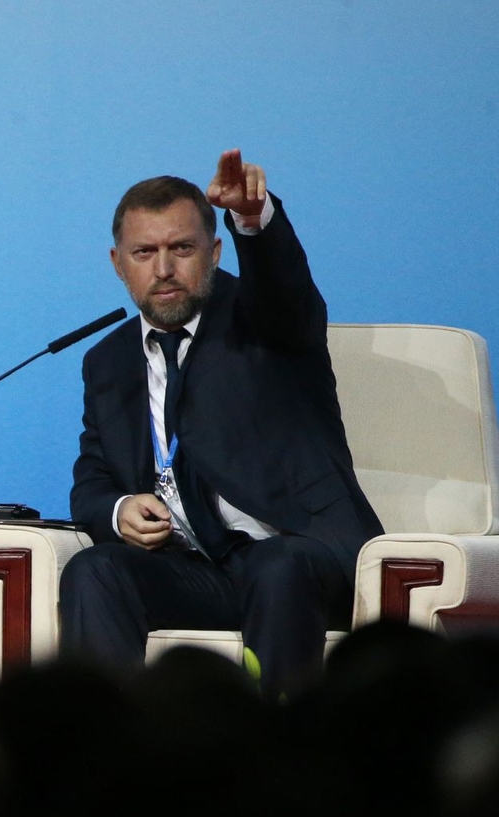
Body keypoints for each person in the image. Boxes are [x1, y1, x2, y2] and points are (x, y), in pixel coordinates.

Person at [59, 150, 382, 699]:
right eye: (145, 252)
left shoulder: (265, 322)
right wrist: (118, 510)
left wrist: (255, 223)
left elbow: (285, 292)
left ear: (213, 251)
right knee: (96, 569)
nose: (163, 269)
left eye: (181, 248)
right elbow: (92, 481)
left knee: (276, 566)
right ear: (118, 263)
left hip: (301, 557)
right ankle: (106, 755)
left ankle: (273, 758)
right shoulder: (107, 362)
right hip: (197, 570)